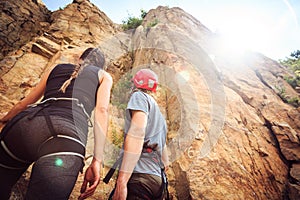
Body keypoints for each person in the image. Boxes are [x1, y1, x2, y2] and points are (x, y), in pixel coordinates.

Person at [0, 47, 113, 200]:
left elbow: (23, 104)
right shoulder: (103, 76)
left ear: (80, 58)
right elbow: (102, 110)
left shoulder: (57, 68)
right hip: (66, 138)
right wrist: (97, 161)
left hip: (27, 125)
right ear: (101, 65)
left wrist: (4, 120)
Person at [111, 68, 169, 200]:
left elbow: (137, 132)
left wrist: (122, 181)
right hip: (157, 182)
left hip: (139, 177)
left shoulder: (139, 97)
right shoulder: (160, 118)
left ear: (135, 84)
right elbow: (165, 162)